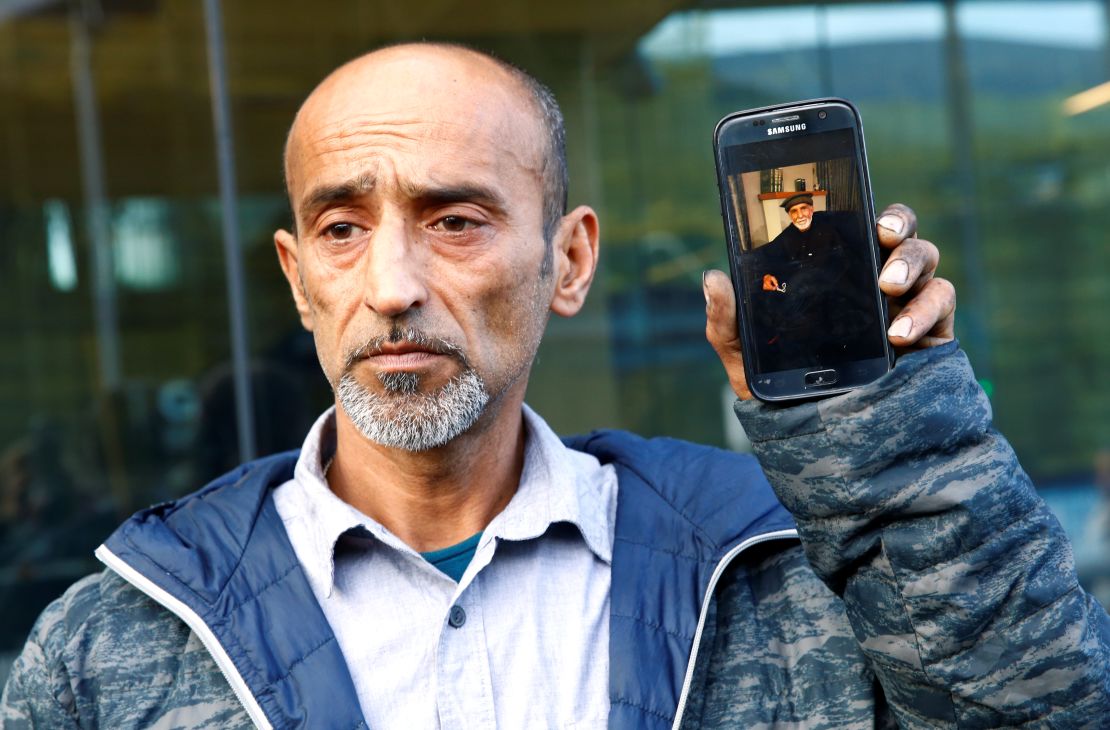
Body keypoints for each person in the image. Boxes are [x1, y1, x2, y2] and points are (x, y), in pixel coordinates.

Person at [3, 43, 1107, 730]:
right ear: (298, 281)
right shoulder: (111, 646)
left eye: (457, 221)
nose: (392, 286)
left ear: (569, 261)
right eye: (342, 228)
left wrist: (895, 440)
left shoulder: (781, 577)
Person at [744, 192, 883, 374]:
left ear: (811, 209)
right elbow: (767, 257)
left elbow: (850, 258)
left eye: (803, 209)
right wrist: (765, 276)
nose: (800, 215)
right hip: (805, 307)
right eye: (794, 211)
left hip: (839, 297)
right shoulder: (787, 236)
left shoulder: (831, 226)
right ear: (789, 216)